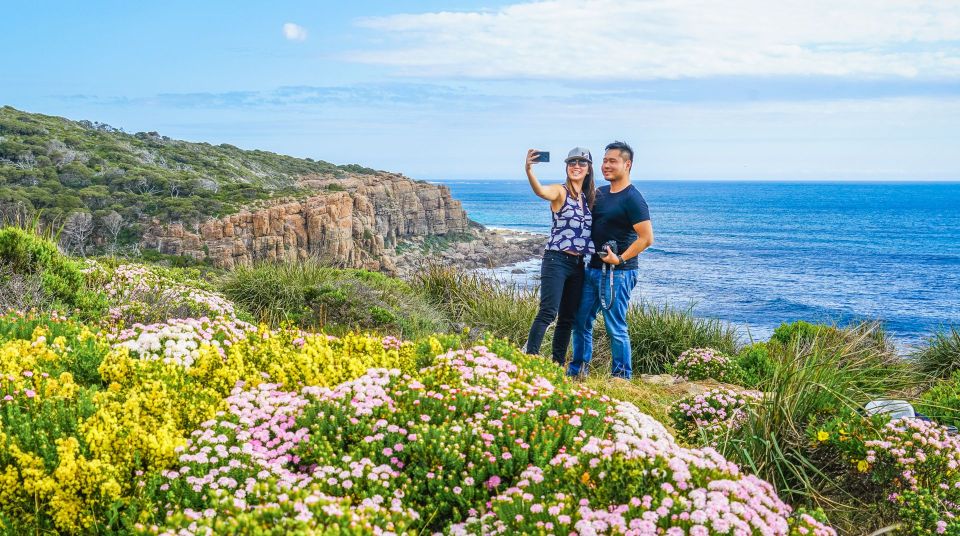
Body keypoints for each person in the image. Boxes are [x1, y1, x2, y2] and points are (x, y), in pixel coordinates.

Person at [567, 141, 654, 380]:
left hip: (619, 273)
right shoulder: (600, 193)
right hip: (592, 269)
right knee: (581, 320)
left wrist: (621, 258)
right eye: (604, 160)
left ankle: (621, 378)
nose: (606, 165)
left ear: (627, 165)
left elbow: (646, 238)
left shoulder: (633, 198)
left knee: (615, 327)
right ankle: (578, 372)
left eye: (612, 161)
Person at [523, 146, 596, 366]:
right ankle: (531, 360)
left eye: (581, 163)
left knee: (567, 319)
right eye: (571, 162)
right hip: (556, 260)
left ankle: (556, 365)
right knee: (548, 312)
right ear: (567, 167)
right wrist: (529, 170)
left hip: (578, 265)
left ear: (588, 169)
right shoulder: (560, 191)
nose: (576, 166)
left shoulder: (589, 197)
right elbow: (541, 192)